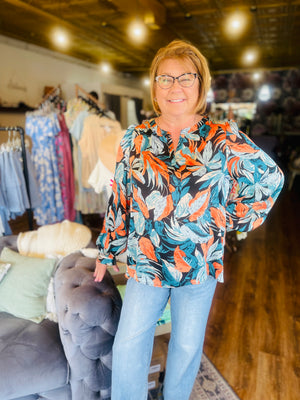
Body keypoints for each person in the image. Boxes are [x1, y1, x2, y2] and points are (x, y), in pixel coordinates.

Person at [94, 39, 284, 400]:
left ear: (201, 84)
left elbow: (270, 180)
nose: (175, 86)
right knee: (128, 346)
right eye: (164, 78)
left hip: (198, 264)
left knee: (185, 348)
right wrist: (107, 250)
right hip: (146, 262)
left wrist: (227, 218)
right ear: (154, 86)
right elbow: (122, 197)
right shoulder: (135, 139)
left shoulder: (223, 138)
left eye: (185, 77)